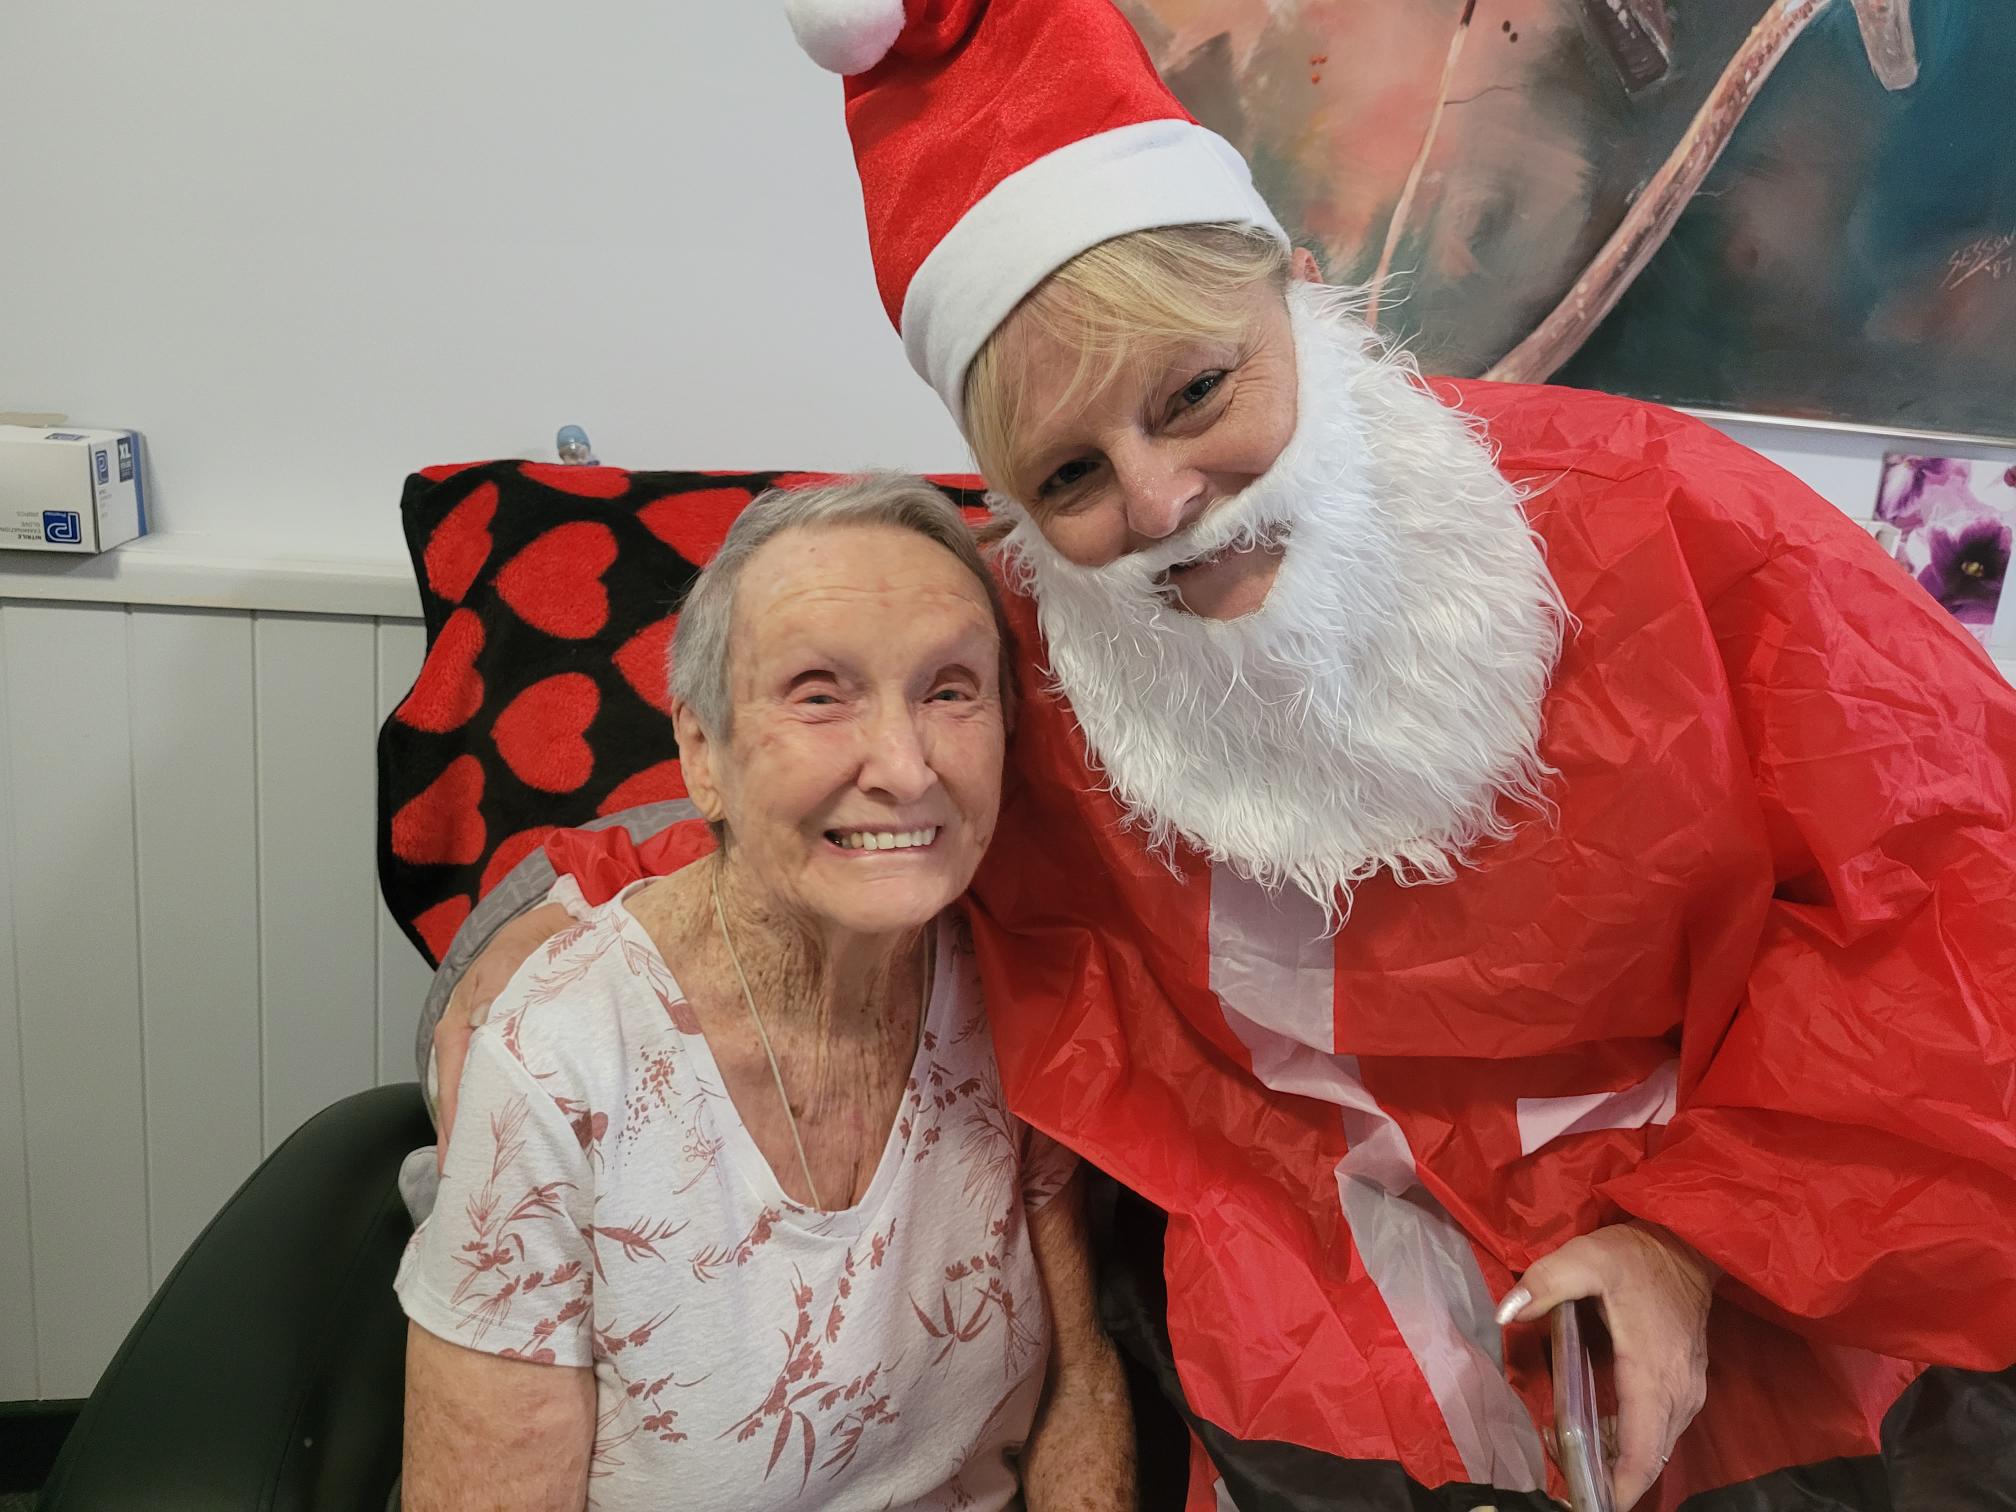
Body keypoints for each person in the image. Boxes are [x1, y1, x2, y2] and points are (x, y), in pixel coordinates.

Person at [431, 1, 2016, 1505]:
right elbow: (835, 781)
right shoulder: (1042, 647)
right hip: (1309, 1328)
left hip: (1753, 1258)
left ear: (1297, 294)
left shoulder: (1663, 518)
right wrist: (550, 926)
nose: (1167, 503)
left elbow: (1959, 895)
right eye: (1070, 472)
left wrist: (1695, 1243)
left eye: (1198, 390)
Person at [397, 476, 1135, 1510]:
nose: (906, 765)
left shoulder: (1013, 984)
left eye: (952, 689)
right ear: (703, 754)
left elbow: (1075, 1386)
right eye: (820, 692)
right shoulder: (557, 1061)